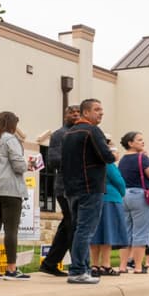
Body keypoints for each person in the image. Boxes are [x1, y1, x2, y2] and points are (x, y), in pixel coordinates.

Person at [61, 97, 112, 284]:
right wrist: (113, 153)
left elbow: (62, 162)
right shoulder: (92, 131)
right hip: (91, 186)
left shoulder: (68, 133)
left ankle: (84, 268)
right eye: (97, 109)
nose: (101, 113)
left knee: (78, 229)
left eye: (101, 109)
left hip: (72, 188)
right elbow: (106, 156)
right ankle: (78, 270)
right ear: (86, 112)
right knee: (85, 230)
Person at [0, 111, 30, 279]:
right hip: (11, 190)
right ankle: (11, 268)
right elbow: (18, 166)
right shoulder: (10, 139)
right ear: (11, 125)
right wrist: (27, 164)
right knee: (11, 231)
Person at [38, 105, 80, 277]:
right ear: (65, 115)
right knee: (73, 225)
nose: (75, 115)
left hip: (78, 186)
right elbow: (53, 160)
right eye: (72, 112)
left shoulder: (82, 133)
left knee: (67, 225)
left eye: (78, 112)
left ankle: (49, 263)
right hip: (64, 187)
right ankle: (78, 265)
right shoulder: (59, 134)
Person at [117, 131, 149, 275]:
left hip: (124, 195)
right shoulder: (142, 159)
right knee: (141, 231)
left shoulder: (123, 159)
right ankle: (138, 266)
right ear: (130, 143)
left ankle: (123, 266)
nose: (142, 142)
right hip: (140, 195)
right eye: (139, 140)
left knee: (126, 231)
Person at [90, 143, 127, 276]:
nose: (117, 154)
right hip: (111, 199)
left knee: (96, 234)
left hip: (96, 198)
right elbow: (119, 182)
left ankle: (94, 264)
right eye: (115, 151)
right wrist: (122, 193)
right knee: (108, 233)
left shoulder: (93, 163)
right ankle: (106, 264)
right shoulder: (109, 165)